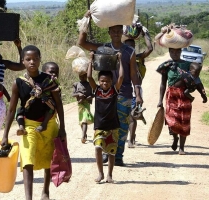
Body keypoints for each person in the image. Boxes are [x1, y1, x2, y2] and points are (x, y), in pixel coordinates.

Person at [78, 10, 143, 166]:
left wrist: (138, 93)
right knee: (107, 124)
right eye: (113, 30)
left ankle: (118, 155)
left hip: (124, 93)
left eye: (119, 30)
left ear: (122, 32)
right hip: (106, 94)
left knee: (122, 125)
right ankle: (108, 152)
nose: (116, 33)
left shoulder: (129, 51)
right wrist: (86, 20)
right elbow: (82, 42)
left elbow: (134, 74)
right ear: (109, 32)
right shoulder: (103, 48)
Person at [1, 45, 66, 200]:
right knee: (27, 160)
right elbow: (11, 110)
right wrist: (5, 135)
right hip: (29, 125)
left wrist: (62, 127)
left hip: (49, 124)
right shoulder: (18, 83)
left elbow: (58, 104)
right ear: (22, 61)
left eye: (35, 59)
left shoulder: (48, 80)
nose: (32, 62)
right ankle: (28, 198)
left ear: (39, 60)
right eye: (28, 59)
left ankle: (45, 191)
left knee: (49, 159)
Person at [157, 48, 207, 155]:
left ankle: (182, 147)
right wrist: (160, 100)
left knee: (184, 120)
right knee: (172, 121)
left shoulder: (188, 65)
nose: (175, 54)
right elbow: (162, 84)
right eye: (172, 52)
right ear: (169, 52)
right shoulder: (167, 66)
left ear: (180, 52)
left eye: (177, 52)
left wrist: (203, 94)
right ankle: (175, 138)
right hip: (171, 95)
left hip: (184, 95)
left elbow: (196, 81)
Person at [87, 51, 123, 183]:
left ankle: (109, 175)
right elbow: (89, 77)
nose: (104, 83)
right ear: (99, 81)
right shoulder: (97, 91)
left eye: (107, 81)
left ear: (111, 81)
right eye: (102, 81)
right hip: (100, 125)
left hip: (113, 126)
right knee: (97, 148)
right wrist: (91, 60)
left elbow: (121, 77)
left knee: (111, 152)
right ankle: (101, 173)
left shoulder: (114, 90)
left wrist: (119, 61)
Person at [124, 29, 153, 148]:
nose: (130, 49)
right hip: (124, 91)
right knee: (125, 117)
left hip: (136, 92)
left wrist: (146, 33)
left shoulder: (139, 58)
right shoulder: (121, 58)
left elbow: (150, 49)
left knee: (132, 116)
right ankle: (131, 135)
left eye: (132, 46)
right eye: (128, 46)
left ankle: (131, 139)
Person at [16, 61, 61, 135]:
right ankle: (21, 127)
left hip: (48, 104)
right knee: (20, 110)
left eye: (56, 73)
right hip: (33, 102)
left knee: (50, 109)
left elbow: (58, 99)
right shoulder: (37, 81)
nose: (54, 74)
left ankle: (44, 124)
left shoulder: (54, 83)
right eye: (51, 72)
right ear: (43, 73)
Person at [72, 72, 94, 144]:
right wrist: (79, 94)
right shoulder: (76, 84)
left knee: (85, 120)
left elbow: (93, 94)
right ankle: (84, 133)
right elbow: (73, 94)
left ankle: (83, 136)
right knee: (81, 120)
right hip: (80, 104)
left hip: (86, 103)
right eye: (81, 77)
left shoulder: (89, 84)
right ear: (79, 77)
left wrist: (90, 96)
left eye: (84, 77)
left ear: (86, 77)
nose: (83, 78)